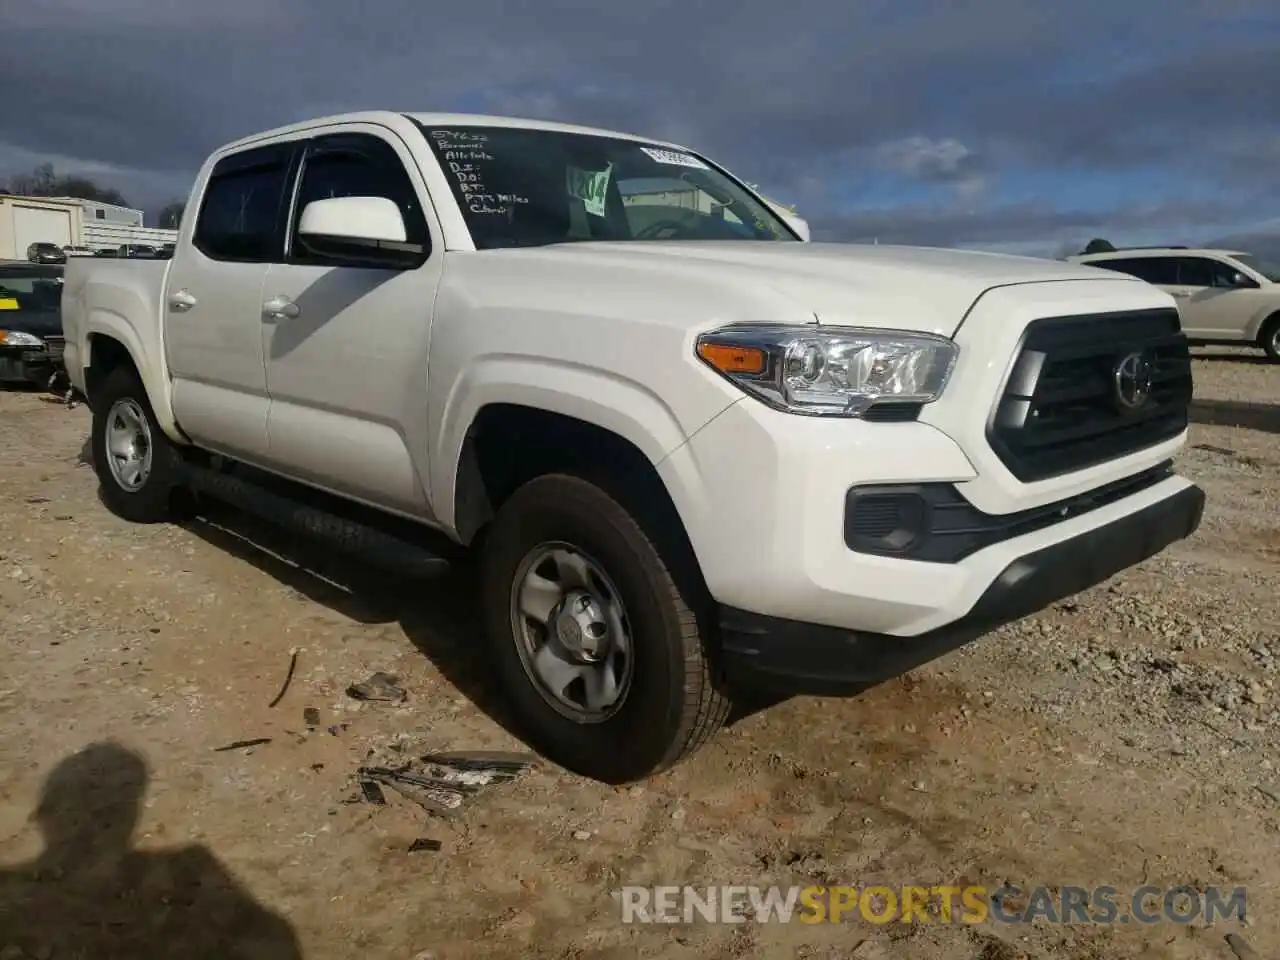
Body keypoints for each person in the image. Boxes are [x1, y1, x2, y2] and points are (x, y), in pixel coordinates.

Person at [0, 742, 302, 960]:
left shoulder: (187, 877)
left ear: (44, 816)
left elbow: (273, 943)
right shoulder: (187, 878)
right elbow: (274, 945)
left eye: (99, 816)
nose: (86, 830)